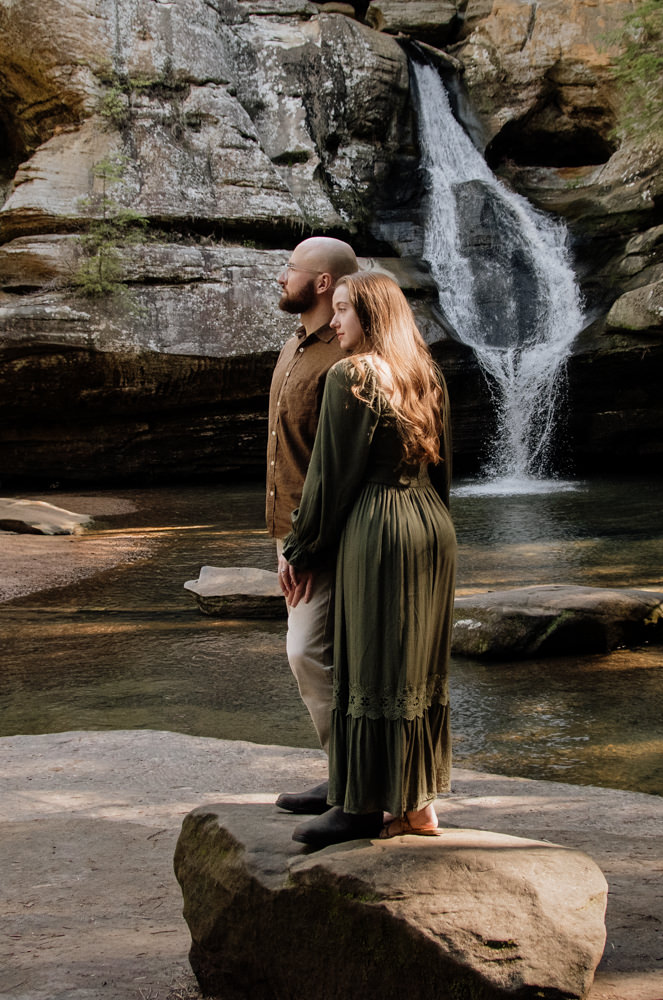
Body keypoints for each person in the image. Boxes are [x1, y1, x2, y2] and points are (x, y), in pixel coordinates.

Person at [281, 271, 456, 846]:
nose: (335, 321)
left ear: (372, 315)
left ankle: (359, 805)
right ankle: (415, 805)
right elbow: (443, 472)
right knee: (415, 668)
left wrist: (300, 550)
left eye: (345, 310)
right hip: (430, 524)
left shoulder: (351, 376)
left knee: (369, 662)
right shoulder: (424, 373)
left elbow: (331, 481)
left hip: (378, 526)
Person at [268, 236, 360, 816]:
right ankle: (342, 776)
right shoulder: (296, 344)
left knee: (307, 653)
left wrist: (303, 545)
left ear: (322, 283)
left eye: (292, 268)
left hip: (319, 533)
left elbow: (335, 464)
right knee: (318, 655)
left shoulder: (345, 356)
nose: (281, 276)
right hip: (289, 531)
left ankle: (354, 783)